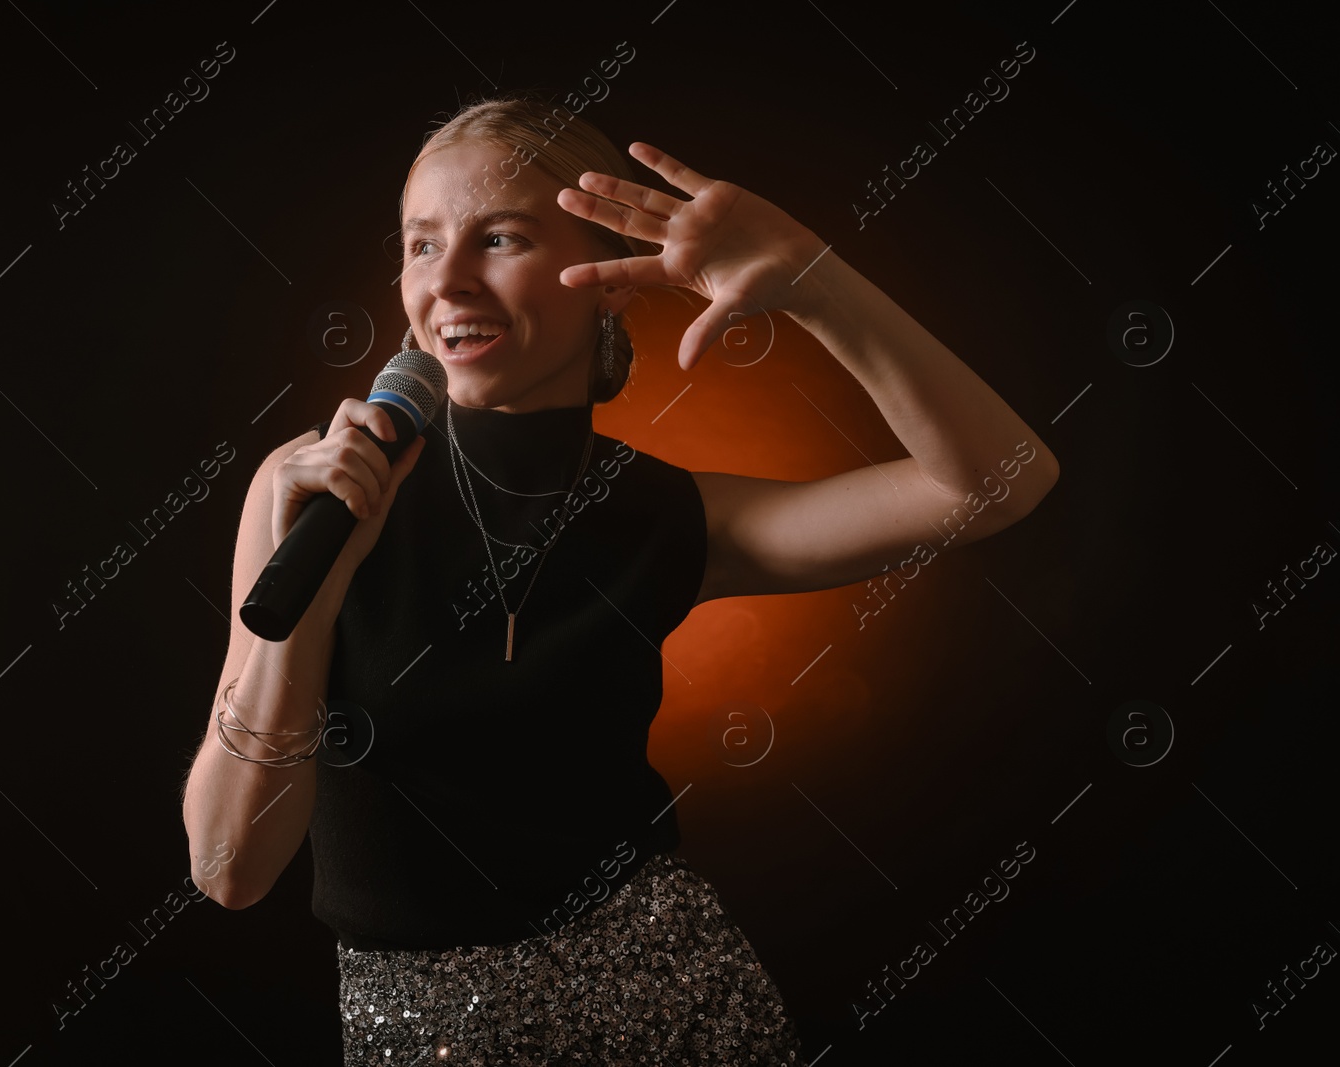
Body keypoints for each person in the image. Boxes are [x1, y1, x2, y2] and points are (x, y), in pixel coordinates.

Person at [181, 94, 1059, 1064]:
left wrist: (816, 283)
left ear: (605, 277)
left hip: (671, 998)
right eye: (422, 244)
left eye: (500, 238)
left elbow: (997, 482)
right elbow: (229, 868)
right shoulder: (307, 489)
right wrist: (317, 591)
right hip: (418, 1032)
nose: (450, 283)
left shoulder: (663, 515)